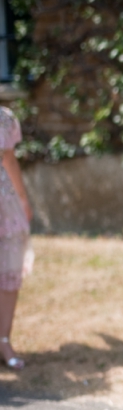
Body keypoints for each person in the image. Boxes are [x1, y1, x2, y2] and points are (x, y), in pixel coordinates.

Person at [0, 107, 32, 371]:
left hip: (4, 204)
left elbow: (9, 159)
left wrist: (22, 198)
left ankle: (4, 340)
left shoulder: (5, 118)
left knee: (9, 272)